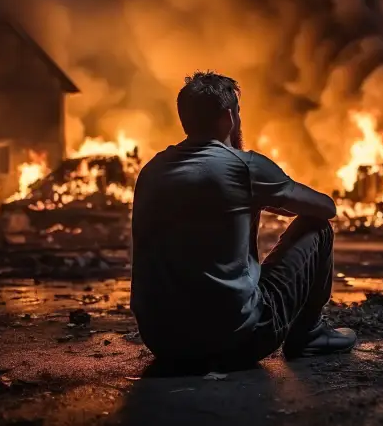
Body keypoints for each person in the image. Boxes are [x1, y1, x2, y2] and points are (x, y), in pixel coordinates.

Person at [130, 71, 356, 368]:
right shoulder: (246, 167)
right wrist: (267, 197)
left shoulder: (151, 170)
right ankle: (309, 334)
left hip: (162, 341)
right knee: (317, 228)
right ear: (228, 117)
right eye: (237, 112)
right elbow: (326, 207)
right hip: (236, 342)